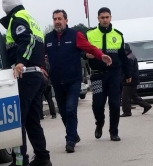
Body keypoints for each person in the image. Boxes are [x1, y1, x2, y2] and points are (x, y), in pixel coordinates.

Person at [0, 0, 51, 166]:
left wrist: (21, 61)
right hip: (36, 75)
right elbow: (37, 45)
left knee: (18, 119)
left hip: (25, 75)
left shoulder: (17, 19)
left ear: (7, 7)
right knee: (32, 119)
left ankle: (20, 162)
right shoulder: (30, 17)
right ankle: (43, 158)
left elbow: (26, 40)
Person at [44, 9, 109, 153]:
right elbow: (41, 55)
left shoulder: (75, 35)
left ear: (66, 20)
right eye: (55, 19)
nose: (57, 21)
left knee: (70, 109)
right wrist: (41, 67)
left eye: (60, 18)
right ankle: (74, 134)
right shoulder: (48, 38)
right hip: (56, 80)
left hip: (73, 80)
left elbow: (90, 48)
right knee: (63, 111)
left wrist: (101, 55)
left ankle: (70, 141)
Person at [86, 7, 131, 141]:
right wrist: (85, 54)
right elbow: (80, 51)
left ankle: (114, 131)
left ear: (111, 17)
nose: (105, 20)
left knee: (115, 104)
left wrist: (128, 74)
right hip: (97, 75)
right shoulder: (90, 34)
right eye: (102, 17)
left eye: (107, 17)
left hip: (114, 75)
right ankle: (99, 123)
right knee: (98, 104)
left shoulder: (118, 35)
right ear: (98, 18)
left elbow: (123, 57)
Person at [121, 43, 152, 117]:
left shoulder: (129, 58)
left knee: (125, 96)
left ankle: (127, 112)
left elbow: (128, 70)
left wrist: (125, 79)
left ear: (125, 50)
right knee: (133, 95)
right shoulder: (131, 56)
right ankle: (146, 106)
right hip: (133, 79)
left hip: (130, 80)